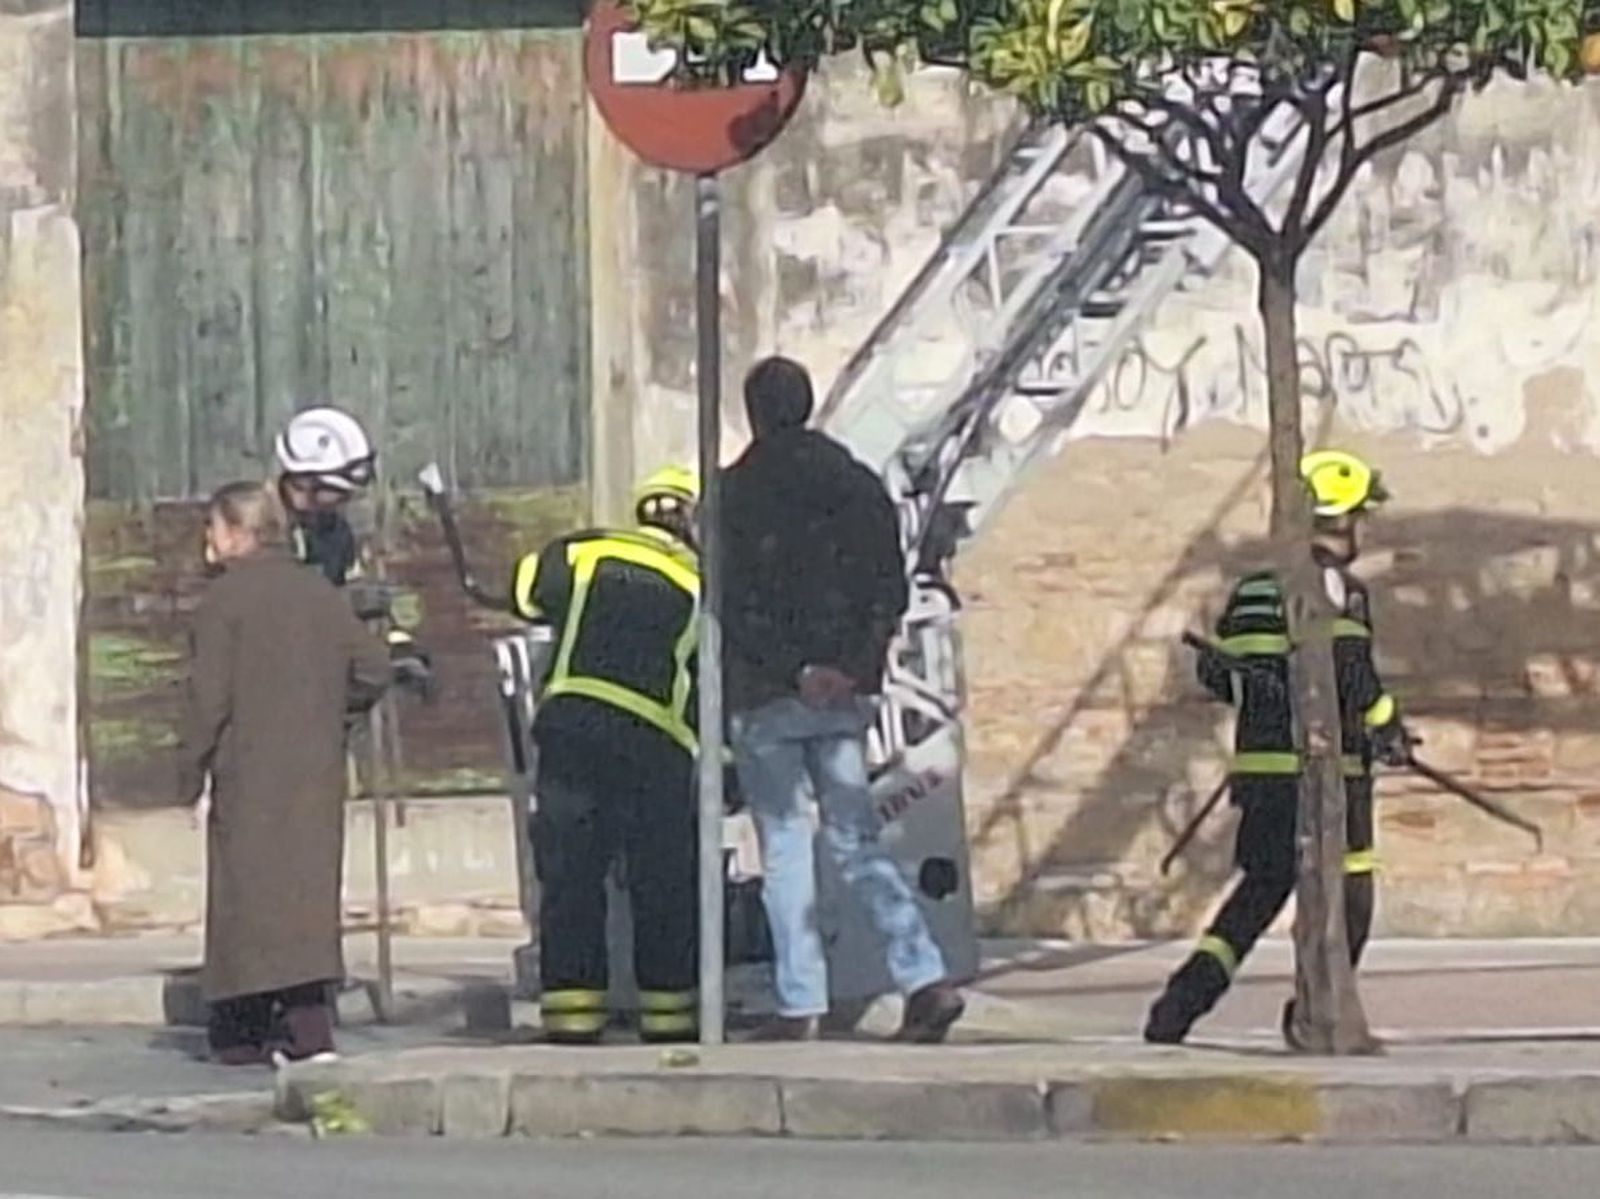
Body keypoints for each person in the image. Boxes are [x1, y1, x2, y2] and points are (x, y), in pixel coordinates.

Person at [723, 355, 965, 1044]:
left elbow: (731, 603)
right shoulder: (858, 484)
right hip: (846, 693)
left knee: (786, 846)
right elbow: (887, 587)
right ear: (808, 404)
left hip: (769, 692)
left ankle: (802, 1003)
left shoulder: (733, 494)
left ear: (754, 412)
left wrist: (796, 669)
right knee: (857, 839)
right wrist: (850, 668)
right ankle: (924, 977)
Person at [1144, 450, 1409, 1047]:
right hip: (1330, 775)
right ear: (1341, 520)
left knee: (1261, 892)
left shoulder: (1254, 589)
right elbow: (1351, 669)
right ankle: (1314, 1013)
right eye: (1360, 517)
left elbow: (1223, 679)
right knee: (1352, 896)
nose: (1363, 530)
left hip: (1262, 774)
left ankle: (1178, 1006)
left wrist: (1256, 689)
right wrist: (1387, 727)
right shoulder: (1343, 590)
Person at [179, 482, 391, 1066]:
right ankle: (308, 1028)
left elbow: (207, 700)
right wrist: (332, 716)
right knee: (303, 895)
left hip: (246, 771)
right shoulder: (318, 592)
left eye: (215, 528)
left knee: (246, 898)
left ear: (240, 533)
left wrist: (186, 770)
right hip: (314, 772)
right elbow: (373, 667)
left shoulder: (225, 602)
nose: (208, 541)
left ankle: (241, 1030)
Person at [510, 466, 702, 1044]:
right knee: (661, 880)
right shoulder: (699, 582)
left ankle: (572, 1016)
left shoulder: (585, 553)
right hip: (655, 744)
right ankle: (670, 1018)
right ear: (689, 520)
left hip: (574, 728)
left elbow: (522, 592)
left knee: (571, 876)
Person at [274, 404, 432, 695]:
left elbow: (347, 589)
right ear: (306, 482)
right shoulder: (258, 529)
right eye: (340, 491)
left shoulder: (335, 532)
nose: (345, 500)